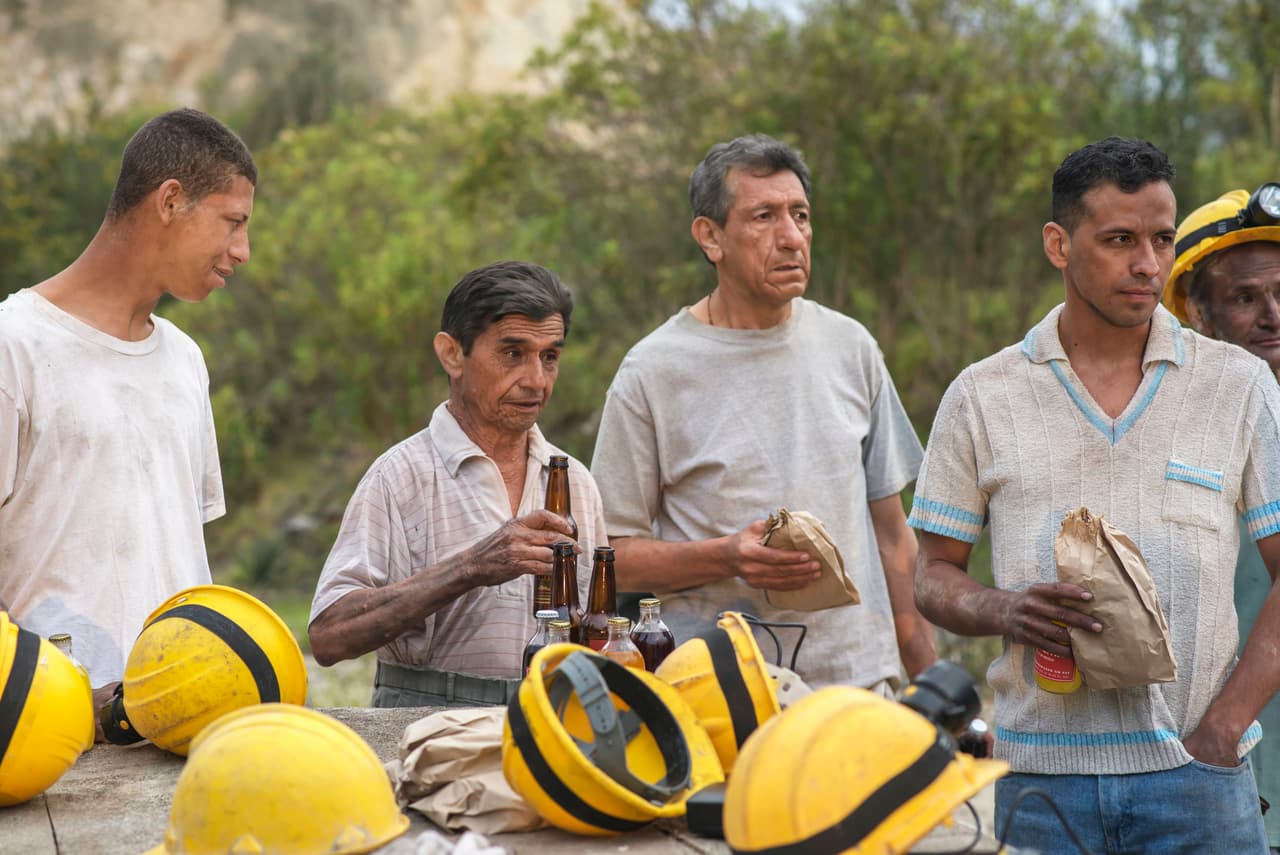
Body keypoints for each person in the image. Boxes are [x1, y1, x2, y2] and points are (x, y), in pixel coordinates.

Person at [910, 137, 1280, 852]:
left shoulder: (1238, 386)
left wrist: (1221, 731)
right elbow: (933, 574)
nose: (1147, 263)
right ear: (1059, 244)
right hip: (1039, 786)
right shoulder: (982, 395)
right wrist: (1005, 608)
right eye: (1119, 240)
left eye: (1161, 239)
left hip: (1199, 782)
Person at [590, 133, 936, 692]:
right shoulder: (653, 371)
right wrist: (727, 557)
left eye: (800, 215)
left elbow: (894, 538)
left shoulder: (850, 346)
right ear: (711, 237)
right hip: (720, 694)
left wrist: (933, 682)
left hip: (856, 687)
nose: (792, 237)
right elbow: (612, 559)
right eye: (764, 216)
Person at [0, 108, 254, 715]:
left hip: (181, 714)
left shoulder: (185, 359)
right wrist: (42, 697)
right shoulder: (14, 345)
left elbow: (171, 550)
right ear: (170, 201)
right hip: (46, 729)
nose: (242, 251)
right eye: (233, 222)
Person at [307, 260, 607, 707]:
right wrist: (472, 567)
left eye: (550, 357)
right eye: (513, 353)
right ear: (452, 354)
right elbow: (329, 636)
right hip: (424, 719)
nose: (536, 380)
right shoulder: (400, 476)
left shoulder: (575, 481)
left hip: (551, 715)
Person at [1163, 183, 1280, 852]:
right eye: (1245, 298)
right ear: (1197, 314)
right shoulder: (1162, 432)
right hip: (1210, 783)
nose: (1273, 315)